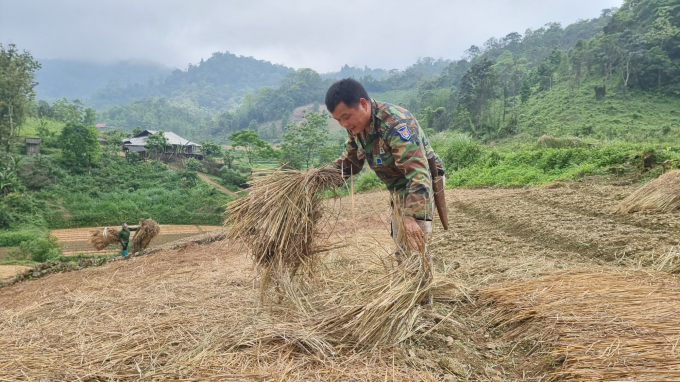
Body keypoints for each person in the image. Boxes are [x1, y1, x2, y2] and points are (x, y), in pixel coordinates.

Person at [325, 78, 444, 261]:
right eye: (338, 120)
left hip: (419, 185)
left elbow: (418, 174)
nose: (344, 124)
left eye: (346, 117)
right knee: (402, 248)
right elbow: (351, 161)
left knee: (414, 249)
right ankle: (408, 283)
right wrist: (320, 177)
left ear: (362, 104)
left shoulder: (396, 124)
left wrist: (410, 215)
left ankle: (420, 287)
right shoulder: (356, 126)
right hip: (398, 187)